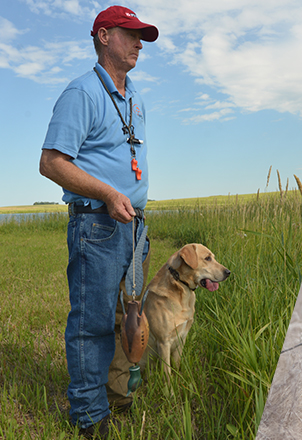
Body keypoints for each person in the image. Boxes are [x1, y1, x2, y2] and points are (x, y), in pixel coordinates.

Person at [39, 6, 158, 437]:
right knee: (91, 323)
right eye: (130, 34)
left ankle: (119, 392)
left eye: (141, 36)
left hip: (135, 226)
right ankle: (89, 415)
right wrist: (108, 193)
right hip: (97, 224)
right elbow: (51, 162)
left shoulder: (136, 97)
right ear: (104, 36)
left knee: (128, 316)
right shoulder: (82, 92)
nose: (139, 43)